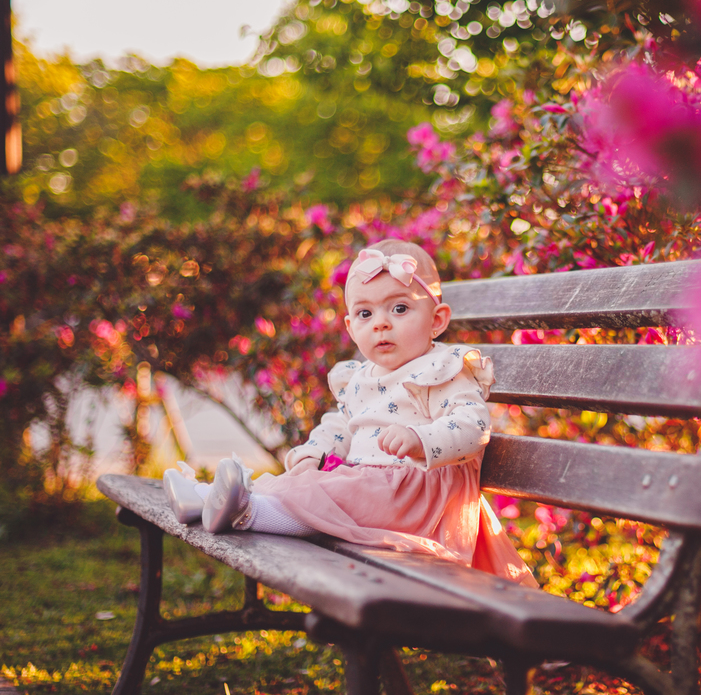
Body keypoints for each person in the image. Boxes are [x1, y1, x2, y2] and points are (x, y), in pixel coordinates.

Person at [163, 240, 535, 586]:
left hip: (411, 496)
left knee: (326, 491)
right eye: (365, 313)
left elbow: (473, 425)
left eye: (400, 308)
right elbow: (342, 425)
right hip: (369, 487)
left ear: (437, 320)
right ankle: (204, 496)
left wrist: (421, 439)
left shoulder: (442, 368)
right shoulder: (360, 377)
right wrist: (315, 452)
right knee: (303, 482)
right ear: (350, 327)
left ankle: (246, 513)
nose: (381, 323)